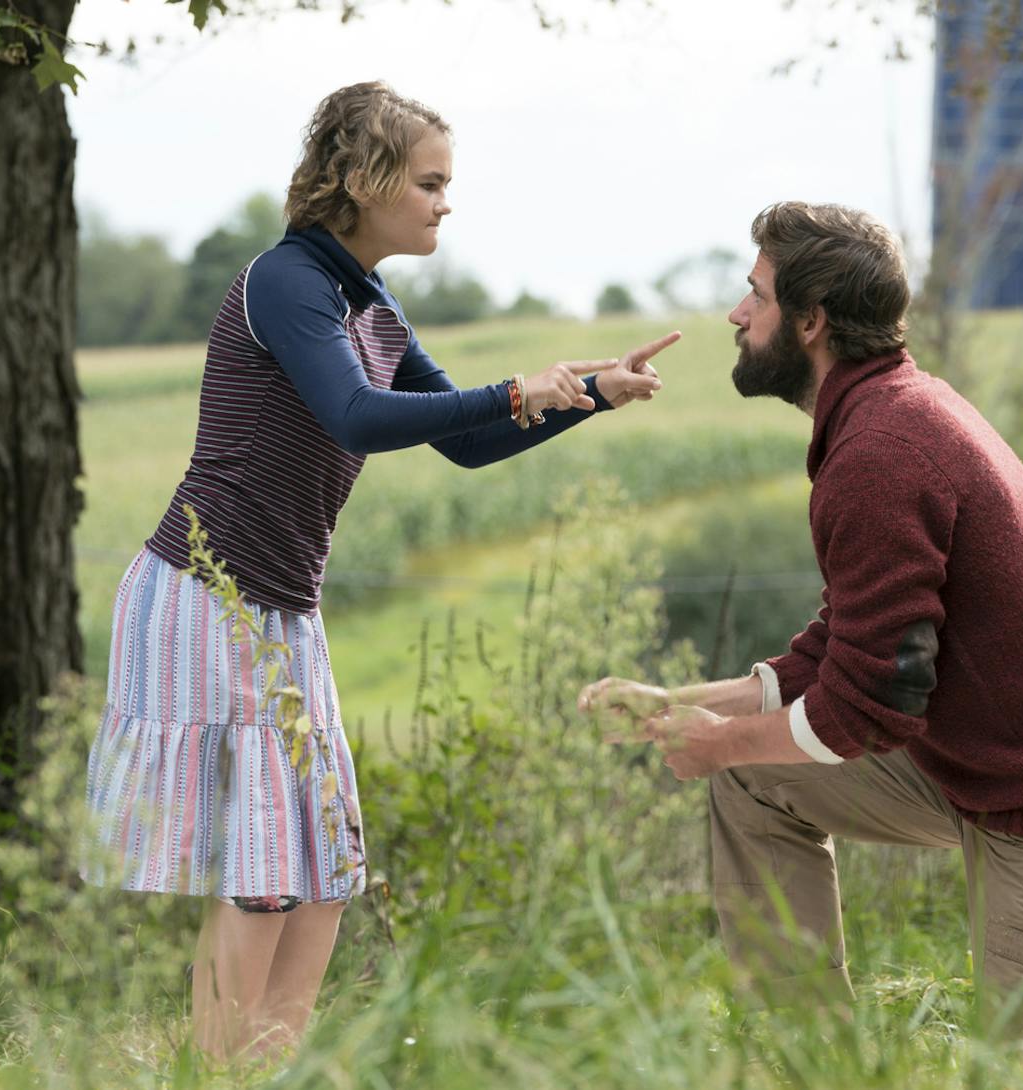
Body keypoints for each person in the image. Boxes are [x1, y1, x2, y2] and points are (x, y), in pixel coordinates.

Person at [83, 80, 679, 1063]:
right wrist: (512, 388)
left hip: (278, 608)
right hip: (206, 595)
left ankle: (266, 1069)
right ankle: (216, 1076)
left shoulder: (370, 298)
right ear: (366, 179)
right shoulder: (287, 281)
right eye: (431, 182)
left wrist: (590, 396)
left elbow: (470, 444)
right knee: (268, 867)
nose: (447, 201)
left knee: (322, 865)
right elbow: (355, 415)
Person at [579, 201, 1023, 1031]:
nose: (736, 314)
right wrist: (683, 709)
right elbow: (839, 651)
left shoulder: (883, 450)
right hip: (978, 764)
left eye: (758, 295)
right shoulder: (883, 415)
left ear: (812, 321)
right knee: (753, 777)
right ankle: (813, 1058)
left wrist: (718, 743)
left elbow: (868, 706)